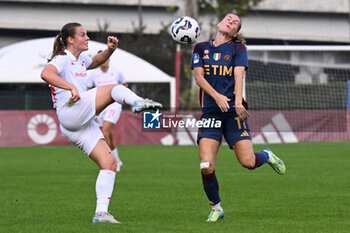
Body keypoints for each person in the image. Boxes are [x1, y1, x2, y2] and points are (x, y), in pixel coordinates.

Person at [41, 22, 162, 224]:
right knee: (113, 89)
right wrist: (70, 87)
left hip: (76, 124)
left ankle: (101, 214)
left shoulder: (79, 60)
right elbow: (46, 74)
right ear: (71, 40)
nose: (87, 38)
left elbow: (97, 60)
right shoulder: (62, 58)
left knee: (109, 164)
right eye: (83, 35)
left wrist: (110, 50)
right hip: (70, 112)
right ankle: (138, 102)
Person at [191, 13, 286, 222]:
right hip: (211, 114)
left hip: (234, 113)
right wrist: (216, 97)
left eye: (235, 23)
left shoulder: (238, 48)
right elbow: (198, 77)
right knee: (206, 166)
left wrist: (236, 103)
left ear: (235, 33)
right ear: (219, 23)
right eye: (229, 19)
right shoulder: (200, 48)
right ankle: (216, 208)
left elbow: (239, 75)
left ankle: (267, 156)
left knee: (248, 162)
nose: (231, 21)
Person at [87, 51, 127, 172]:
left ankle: (111, 162)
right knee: (108, 135)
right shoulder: (93, 74)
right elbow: (88, 89)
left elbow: (125, 85)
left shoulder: (117, 72)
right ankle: (117, 161)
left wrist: (119, 94)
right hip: (100, 107)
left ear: (109, 59)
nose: (104, 61)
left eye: (106, 58)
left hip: (114, 106)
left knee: (104, 132)